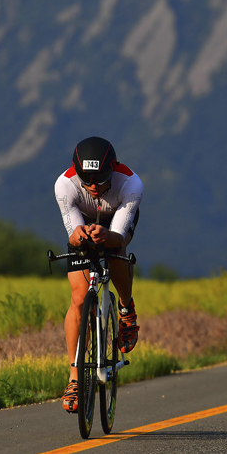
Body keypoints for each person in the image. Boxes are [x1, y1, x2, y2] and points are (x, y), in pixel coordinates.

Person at [54, 136, 142, 413]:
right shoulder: (64, 184)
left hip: (115, 222)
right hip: (83, 219)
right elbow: (73, 232)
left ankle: (126, 309)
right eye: (87, 180)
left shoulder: (130, 184)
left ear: (113, 171)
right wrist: (79, 237)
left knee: (115, 249)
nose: (93, 187)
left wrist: (108, 236)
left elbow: (117, 235)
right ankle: (75, 378)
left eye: (101, 180)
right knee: (79, 299)